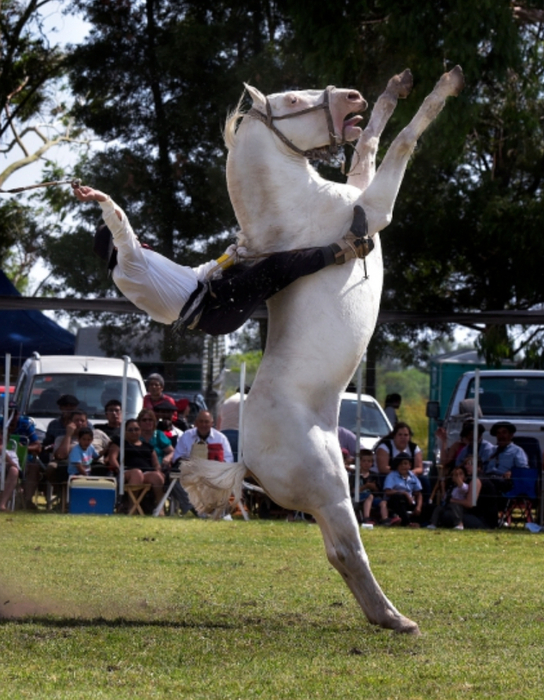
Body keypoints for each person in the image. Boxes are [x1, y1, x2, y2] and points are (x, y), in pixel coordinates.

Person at [73, 184, 374, 337]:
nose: (135, 239)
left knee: (271, 271)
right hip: (217, 307)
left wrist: (228, 257)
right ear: (115, 247)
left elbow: (195, 276)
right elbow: (121, 226)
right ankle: (349, 246)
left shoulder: (131, 273)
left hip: (216, 310)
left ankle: (338, 252)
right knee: (277, 266)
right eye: (123, 241)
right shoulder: (128, 265)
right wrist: (102, 199)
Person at [108, 418, 165, 511]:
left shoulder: (148, 446)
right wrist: (119, 470)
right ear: (125, 431)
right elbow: (112, 458)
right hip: (126, 472)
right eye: (130, 430)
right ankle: (132, 507)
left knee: (156, 476)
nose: (134, 432)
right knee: (137, 473)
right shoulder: (120, 443)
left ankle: (160, 508)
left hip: (146, 473)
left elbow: (156, 464)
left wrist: (159, 471)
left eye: (136, 429)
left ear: (140, 430)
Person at [46, 410, 111, 484]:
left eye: (82, 421)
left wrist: (108, 458)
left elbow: (112, 446)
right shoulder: (61, 438)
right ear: (70, 423)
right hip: (73, 468)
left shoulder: (98, 433)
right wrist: (68, 435)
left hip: (96, 465)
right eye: (76, 420)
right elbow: (60, 456)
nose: (79, 423)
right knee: (53, 467)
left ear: (86, 423)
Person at [0, 401, 42, 510]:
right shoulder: (0, 423)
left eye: (14, 413)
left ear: (18, 413)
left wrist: (23, 447)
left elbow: (38, 447)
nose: (12, 416)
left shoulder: (25, 424)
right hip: (3, 458)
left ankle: (26, 501)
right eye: (9, 413)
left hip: (22, 459)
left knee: (33, 467)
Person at [380, 452, 423, 527]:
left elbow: (418, 493)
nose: (403, 466)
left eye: (405, 463)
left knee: (428, 507)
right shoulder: (392, 476)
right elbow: (387, 492)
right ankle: (408, 523)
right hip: (395, 501)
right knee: (399, 497)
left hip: (410, 501)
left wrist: (418, 507)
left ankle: (423, 523)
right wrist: (405, 493)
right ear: (397, 466)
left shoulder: (413, 476)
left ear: (410, 465)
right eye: (400, 464)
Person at [485, 421, 529, 491]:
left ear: (511, 435)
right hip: (488, 477)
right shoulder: (491, 450)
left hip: (505, 481)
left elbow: (524, 470)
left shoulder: (517, 451)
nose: (501, 436)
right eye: (498, 433)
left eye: (504, 432)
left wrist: (512, 472)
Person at [427, 464, 469, 530]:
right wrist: (443, 487)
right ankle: (433, 524)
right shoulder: (451, 487)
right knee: (438, 508)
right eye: (454, 475)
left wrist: (457, 477)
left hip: (459, 507)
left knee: (454, 506)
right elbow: (445, 498)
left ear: (465, 477)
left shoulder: (464, 486)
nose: (456, 476)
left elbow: (463, 488)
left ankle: (459, 524)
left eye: (460, 474)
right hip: (448, 506)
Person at [351, 448, 380, 525]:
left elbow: (378, 490)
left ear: (372, 463)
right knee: (369, 496)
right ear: (359, 462)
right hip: (357, 497)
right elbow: (353, 491)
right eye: (364, 461)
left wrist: (373, 487)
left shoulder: (374, 475)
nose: (366, 463)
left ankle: (386, 519)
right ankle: (366, 518)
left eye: (369, 461)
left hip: (372, 498)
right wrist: (365, 486)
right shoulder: (354, 475)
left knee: (383, 502)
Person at [0, 434, 21, 512]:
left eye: (1, 441)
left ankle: (2, 504)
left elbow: (15, 466)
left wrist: (5, 455)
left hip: (5, 476)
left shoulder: (11, 454)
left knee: (14, 471)